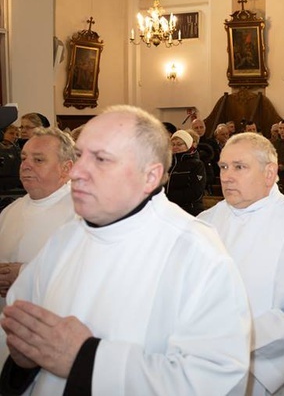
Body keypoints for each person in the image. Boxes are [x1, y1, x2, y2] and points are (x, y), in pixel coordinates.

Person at [0, 105, 251, 395]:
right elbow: (25, 338)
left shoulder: (196, 252)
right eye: (80, 156)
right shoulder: (66, 238)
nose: (78, 172)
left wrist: (87, 359)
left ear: (150, 176)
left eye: (102, 159)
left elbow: (215, 377)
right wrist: (24, 361)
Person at [199, 132, 284, 395]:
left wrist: (232, 343)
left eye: (239, 167)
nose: (226, 176)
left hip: (282, 376)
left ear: (269, 172)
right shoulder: (206, 222)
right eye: (223, 167)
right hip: (212, 372)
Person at [0, 128, 77, 308]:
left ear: (66, 168)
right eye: (24, 158)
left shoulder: (83, 211)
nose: (26, 165)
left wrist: (24, 274)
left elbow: (90, 274)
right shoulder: (10, 211)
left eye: (38, 160)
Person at [165, 129, 207, 215]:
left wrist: (169, 197)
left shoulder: (196, 164)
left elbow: (196, 191)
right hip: (169, 209)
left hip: (190, 209)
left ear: (188, 145)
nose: (175, 147)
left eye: (179, 144)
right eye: (173, 144)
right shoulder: (167, 164)